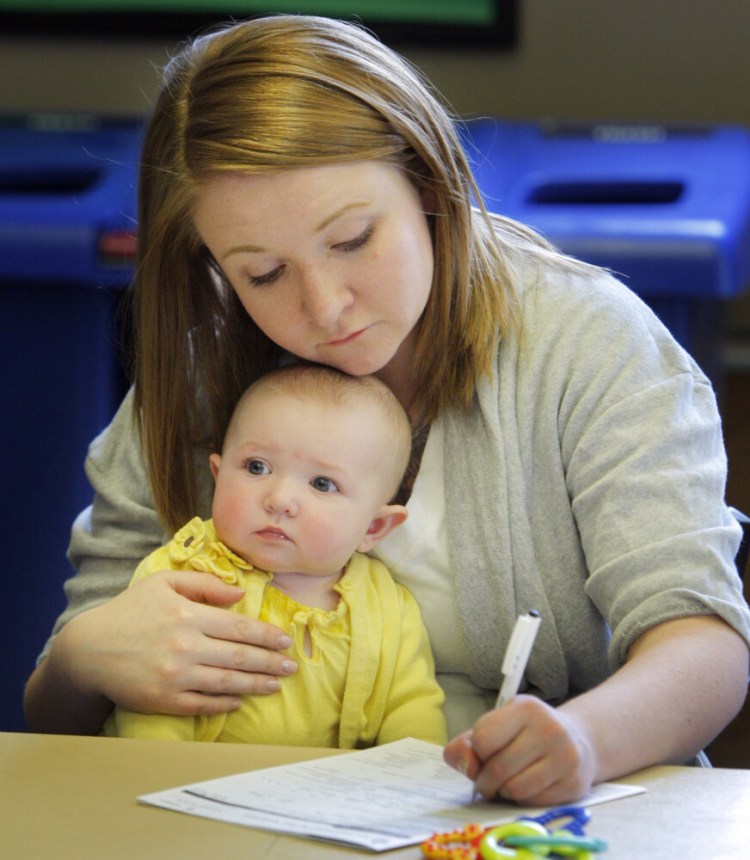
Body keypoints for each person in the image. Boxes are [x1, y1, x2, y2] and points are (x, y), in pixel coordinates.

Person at [25, 14, 750, 806]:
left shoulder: (589, 341)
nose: (326, 307)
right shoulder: (202, 368)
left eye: (354, 239)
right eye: (264, 274)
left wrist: (584, 738)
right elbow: (58, 710)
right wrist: (81, 659)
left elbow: (703, 645)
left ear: (428, 183)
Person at [102, 363, 446, 746]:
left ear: (373, 528)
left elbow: (412, 706)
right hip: (191, 788)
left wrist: (415, 781)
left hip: (331, 798)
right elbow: (152, 701)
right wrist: (159, 775)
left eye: (322, 483)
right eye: (256, 467)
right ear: (217, 476)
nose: (279, 499)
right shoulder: (184, 574)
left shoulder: (389, 608)